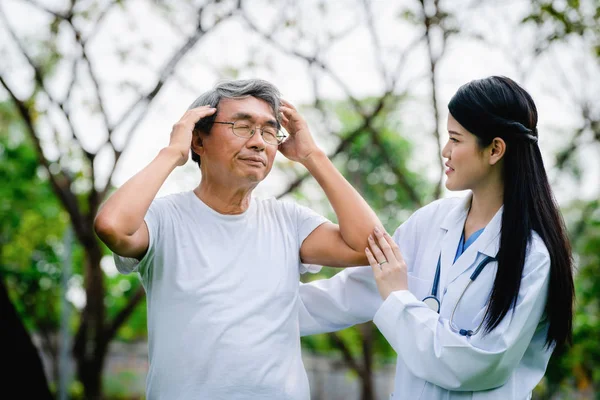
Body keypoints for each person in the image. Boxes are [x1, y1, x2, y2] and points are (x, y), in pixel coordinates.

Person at [93, 79, 381, 399]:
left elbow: (372, 247)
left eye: (269, 131)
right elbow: (112, 226)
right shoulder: (164, 219)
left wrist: (312, 155)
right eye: (243, 127)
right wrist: (173, 151)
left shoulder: (288, 221)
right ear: (199, 141)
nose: (259, 142)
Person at [298, 76, 575, 399]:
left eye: (456, 140)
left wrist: (399, 299)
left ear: (495, 149)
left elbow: (476, 366)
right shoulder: (429, 223)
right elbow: (348, 293)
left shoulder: (534, 257)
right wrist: (251, 303)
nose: (446, 151)